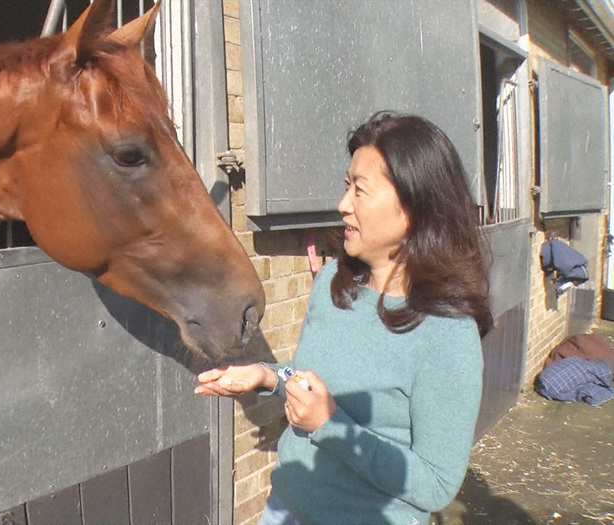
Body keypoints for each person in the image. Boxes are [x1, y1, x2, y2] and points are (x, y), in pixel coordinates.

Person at [195, 111, 492, 525]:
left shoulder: (446, 332)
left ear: (414, 207)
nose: (342, 205)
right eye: (345, 186)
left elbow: (437, 483)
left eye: (360, 190)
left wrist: (331, 425)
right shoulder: (335, 281)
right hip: (286, 509)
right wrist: (266, 377)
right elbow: (307, 382)